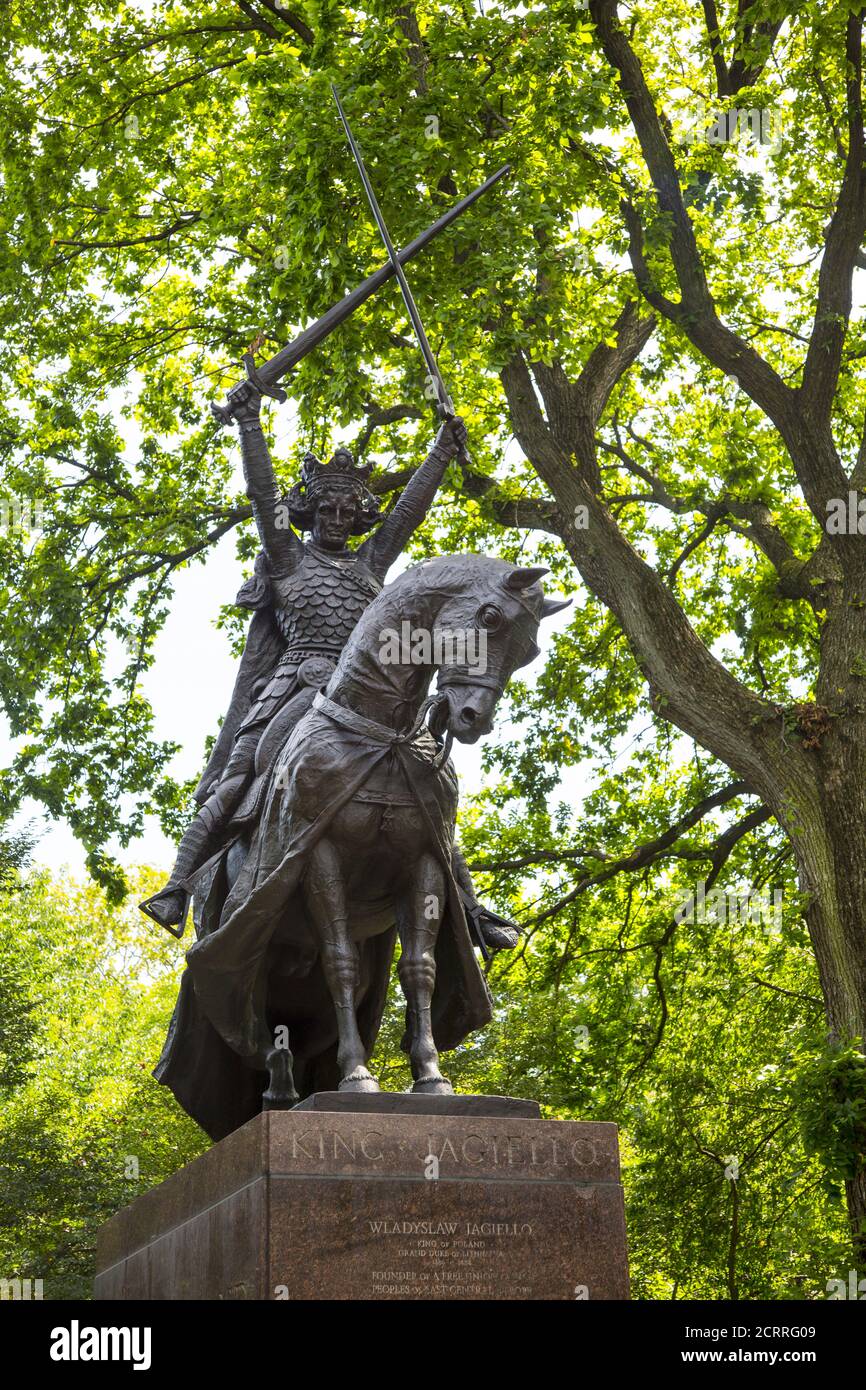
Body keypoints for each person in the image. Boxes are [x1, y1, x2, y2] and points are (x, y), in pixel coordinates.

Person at [140, 384, 518, 954]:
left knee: (428, 790)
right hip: (296, 687)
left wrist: (441, 451)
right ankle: (176, 886)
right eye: (326, 510)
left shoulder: (371, 564)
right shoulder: (288, 557)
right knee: (241, 774)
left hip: (371, 696)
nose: (337, 518)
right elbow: (262, 495)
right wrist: (250, 422)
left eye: (347, 511)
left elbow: (407, 517)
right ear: (309, 514)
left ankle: (466, 907)